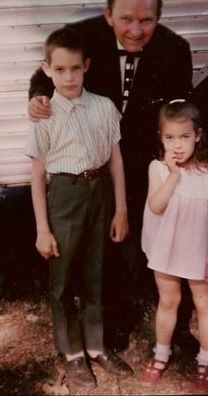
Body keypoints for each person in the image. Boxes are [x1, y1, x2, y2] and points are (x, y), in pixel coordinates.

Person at [28, 0, 208, 351]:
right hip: (100, 159)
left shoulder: (174, 48)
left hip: (145, 159)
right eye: (126, 19)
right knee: (104, 247)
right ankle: (108, 328)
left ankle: (174, 321)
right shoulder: (81, 36)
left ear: (159, 17)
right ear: (108, 15)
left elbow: (183, 112)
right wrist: (38, 99)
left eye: (147, 20)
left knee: (164, 235)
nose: (136, 30)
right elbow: (45, 74)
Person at [26, 27, 134, 389]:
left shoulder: (103, 107)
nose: (69, 77)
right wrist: (43, 229)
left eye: (75, 68)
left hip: (100, 192)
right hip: (65, 197)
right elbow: (38, 175)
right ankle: (73, 355)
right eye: (60, 70)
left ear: (86, 66)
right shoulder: (44, 116)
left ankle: (96, 344)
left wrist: (120, 210)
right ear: (47, 69)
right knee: (63, 280)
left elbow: (116, 161)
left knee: (97, 274)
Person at [139, 99, 208, 395]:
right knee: (168, 301)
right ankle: (161, 353)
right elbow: (157, 205)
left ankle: (206, 362)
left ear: (198, 135)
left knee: (204, 304)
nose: (177, 145)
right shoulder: (158, 169)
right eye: (170, 137)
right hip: (167, 249)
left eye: (185, 136)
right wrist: (174, 175)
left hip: (198, 252)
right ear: (160, 137)